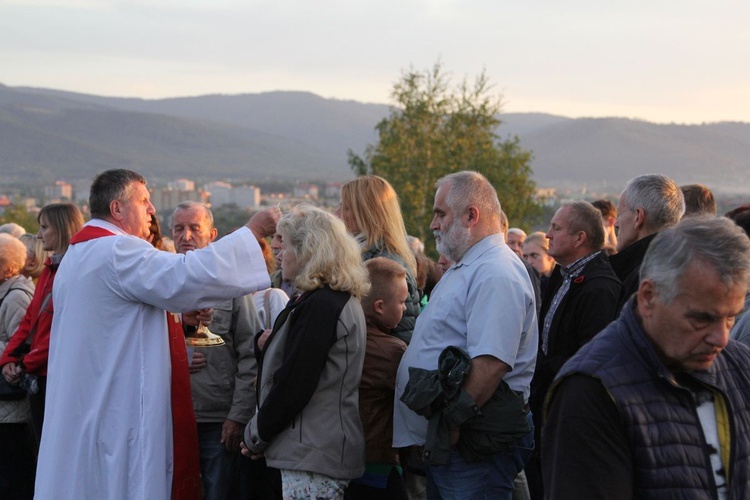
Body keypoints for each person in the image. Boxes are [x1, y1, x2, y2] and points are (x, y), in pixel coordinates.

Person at [35, 169, 279, 500]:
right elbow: (186, 275)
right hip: (116, 413)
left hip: (89, 403)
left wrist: (181, 321)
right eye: (144, 200)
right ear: (117, 209)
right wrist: (252, 232)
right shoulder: (118, 250)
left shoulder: (82, 254)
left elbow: (121, 319)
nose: (151, 210)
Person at [542, 217, 750, 499]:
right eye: (702, 319)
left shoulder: (739, 364)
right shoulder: (590, 391)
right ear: (649, 296)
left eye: (730, 318)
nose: (722, 338)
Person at [393, 171, 537, 499]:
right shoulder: (472, 265)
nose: (433, 224)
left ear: (471, 215)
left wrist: (451, 425)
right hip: (460, 445)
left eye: (440, 213)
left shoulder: (495, 271)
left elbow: (491, 362)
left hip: (473, 444)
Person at [243, 205, 369, 499]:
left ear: (307, 250)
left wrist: (256, 434)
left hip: (313, 451)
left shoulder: (322, 305)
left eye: (284, 244)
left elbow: (295, 381)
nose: (279, 252)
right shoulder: (326, 300)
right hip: (315, 448)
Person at [526, 201, 621, 499]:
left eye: (556, 228)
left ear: (580, 238)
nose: (548, 234)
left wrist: (542, 368)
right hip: (547, 402)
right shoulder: (562, 274)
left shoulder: (600, 288)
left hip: (571, 412)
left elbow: (592, 357)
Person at [170, 201, 264, 500]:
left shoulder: (231, 286)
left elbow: (249, 354)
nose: (186, 236)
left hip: (216, 417)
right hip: (169, 414)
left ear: (211, 234)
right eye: (179, 229)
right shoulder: (159, 284)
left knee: (218, 493)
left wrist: (237, 415)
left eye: (194, 229)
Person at [1, 203, 84, 446]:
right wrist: (8, 358)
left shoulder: (74, 271)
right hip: (40, 372)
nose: (38, 235)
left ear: (61, 229)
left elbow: (61, 331)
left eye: (44, 227)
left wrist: (23, 362)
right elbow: (30, 320)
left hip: (57, 376)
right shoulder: (50, 269)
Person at [348, 257, 409, 500]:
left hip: (345, 453)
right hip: (378, 459)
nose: (405, 308)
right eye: (402, 302)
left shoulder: (344, 336)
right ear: (380, 306)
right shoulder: (392, 351)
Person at [337, 175, 420, 344]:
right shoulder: (363, 254)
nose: (337, 213)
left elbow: (401, 335)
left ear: (365, 213)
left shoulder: (384, 265)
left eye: (345, 207)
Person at [610, 174, 684, 312]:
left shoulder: (642, 278)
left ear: (638, 217)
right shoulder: (685, 266)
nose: (616, 223)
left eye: (619, 214)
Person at [0, 234, 35, 500]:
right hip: (4, 404)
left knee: (13, 474)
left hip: (11, 404)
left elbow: (22, 346)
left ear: (9, 268)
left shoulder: (15, 298)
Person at [522, 231, 556, 297]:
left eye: (534, 255)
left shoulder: (563, 282)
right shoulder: (524, 284)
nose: (529, 261)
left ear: (550, 255)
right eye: (525, 257)